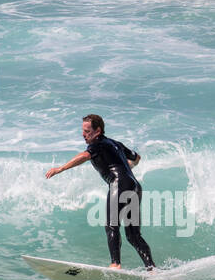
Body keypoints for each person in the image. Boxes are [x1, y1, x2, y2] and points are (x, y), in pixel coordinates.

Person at [44, 114, 156, 270]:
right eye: (83, 130)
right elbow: (137, 158)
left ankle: (115, 264)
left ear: (98, 131)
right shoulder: (115, 143)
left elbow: (84, 156)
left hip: (120, 185)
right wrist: (127, 167)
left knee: (111, 225)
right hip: (134, 186)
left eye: (87, 131)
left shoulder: (97, 144)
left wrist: (61, 168)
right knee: (133, 235)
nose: (83, 134)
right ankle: (151, 268)